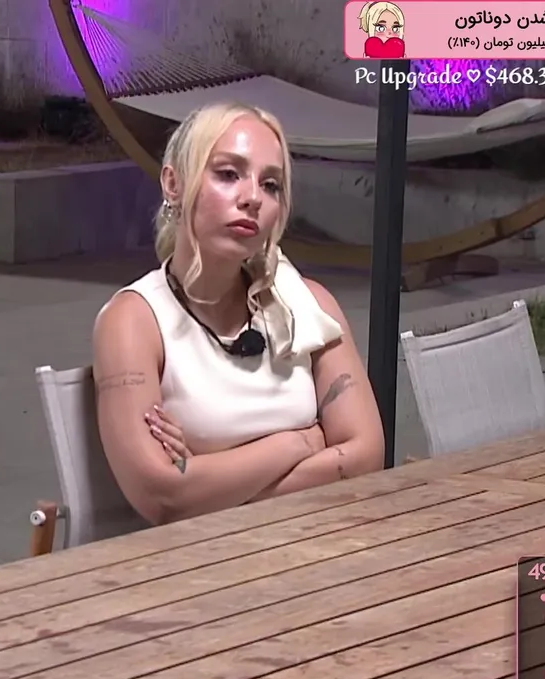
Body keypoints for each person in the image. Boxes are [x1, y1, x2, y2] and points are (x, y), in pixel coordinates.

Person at [92, 101, 385, 526]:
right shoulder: (134, 320)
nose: (252, 198)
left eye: (271, 185)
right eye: (229, 174)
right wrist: (301, 443)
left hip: (325, 537)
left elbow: (367, 456)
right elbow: (164, 496)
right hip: (204, 557)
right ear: (173, 184)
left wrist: (209, 479)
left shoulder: (310, 305)